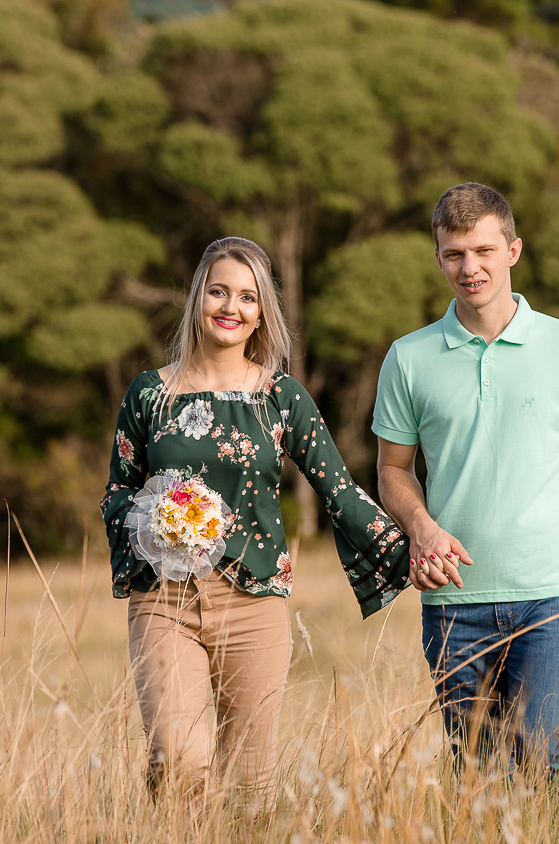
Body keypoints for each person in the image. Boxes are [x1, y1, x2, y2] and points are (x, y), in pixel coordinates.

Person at [101, 237, 411, 807]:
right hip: (163, 601)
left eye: (247, 297)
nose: (230, 307)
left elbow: (338, 490)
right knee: (179, 761)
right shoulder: (150, 393)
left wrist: (414, 548)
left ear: (262, 312)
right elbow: (116, 492)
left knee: (250, 787)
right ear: (198, 298)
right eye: (218, 291)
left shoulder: (281, 398)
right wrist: (158, 519)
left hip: (255, 605)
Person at [372, 183, 559, 785]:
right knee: (476, 772)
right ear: (438, 259)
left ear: (513, 250)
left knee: (543, 756)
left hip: (552, 589)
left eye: (482, 250)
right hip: (453, 599)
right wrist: (421, 527)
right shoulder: (408, 358)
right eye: (454, 254)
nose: (469, 268)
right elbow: (393, 469)